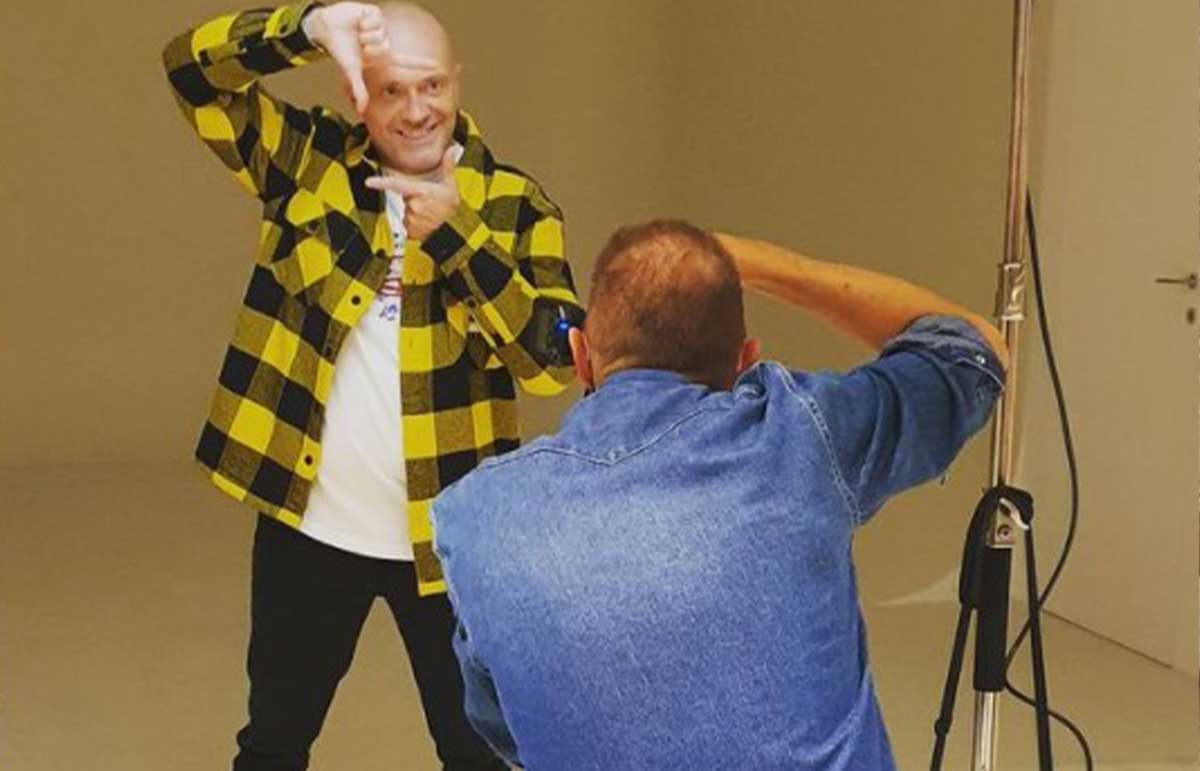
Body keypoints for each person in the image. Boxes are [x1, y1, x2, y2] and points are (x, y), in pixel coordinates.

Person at [161, 2, 582, 768]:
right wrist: (305, 28)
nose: (416, 110)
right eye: (391, 90)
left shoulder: (516, 205)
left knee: (479, 753)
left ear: (456, 82)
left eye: (431, 86)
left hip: (450, 544)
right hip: (309, 530)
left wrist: (456, 236)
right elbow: (190, 71)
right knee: (273, 742)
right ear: (356, 94)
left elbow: (555, 360)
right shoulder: (308, 162)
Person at [431, 220, 1009, 770]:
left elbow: (505, 727)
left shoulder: (474, 517)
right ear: (745, 360)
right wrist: (771, 268)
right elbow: (975, 351)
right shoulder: (797, 435)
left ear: (582, 356)